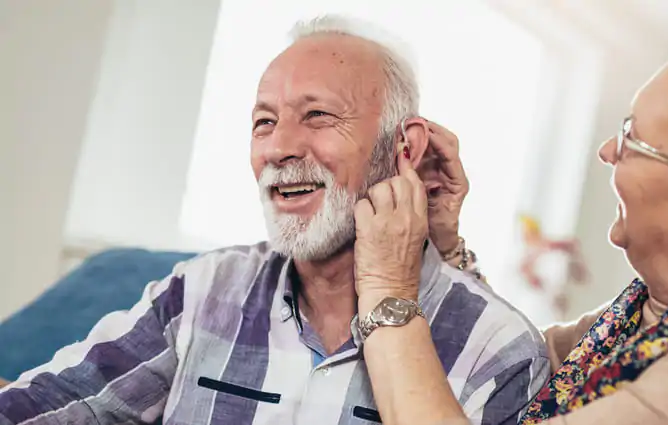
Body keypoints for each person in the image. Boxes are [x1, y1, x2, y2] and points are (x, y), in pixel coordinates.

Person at [0, 16, 550, 425]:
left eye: (318, 115)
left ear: (403, 149)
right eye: (264, 122)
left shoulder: (498, 349)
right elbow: (43, 406)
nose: (280, 147)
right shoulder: (202, 292)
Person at [356, 1, 668, 424]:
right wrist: (445, 247)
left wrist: (387, 287)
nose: (608, 150)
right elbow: (512, 369)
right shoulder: (653, 319)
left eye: (634, 139)